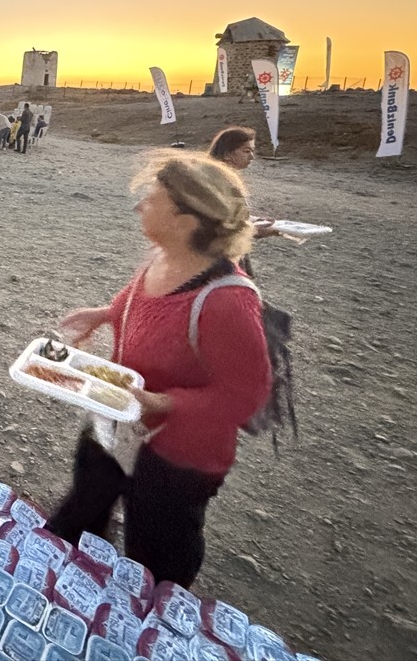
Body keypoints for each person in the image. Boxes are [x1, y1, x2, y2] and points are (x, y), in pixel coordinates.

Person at [47, 151, 271, 588]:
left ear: (186, 221)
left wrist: (162, 402)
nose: (138, 206)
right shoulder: (163, 256)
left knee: (157, 552)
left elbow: (247, 398)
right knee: (83, 505)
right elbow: (140, 299)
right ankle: (72, 584)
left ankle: (149, 624)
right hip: (117, 416)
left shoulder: (226, 301)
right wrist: (106, 313)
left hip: (178, 457)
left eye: (150, 199)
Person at [208, 126, 278, 245]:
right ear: (227, 154)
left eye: (252, 151)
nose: (252, 156)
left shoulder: (220, 175)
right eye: (246, 151)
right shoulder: (218, 181)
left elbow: (231, 216)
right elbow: (215, 225)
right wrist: (253, 229)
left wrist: (253, 220)